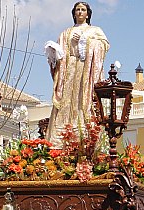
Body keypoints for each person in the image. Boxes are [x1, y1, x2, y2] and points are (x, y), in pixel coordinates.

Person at [45, 2, 109, 147]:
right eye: (78, 10)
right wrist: (54, 53)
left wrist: (85, 42)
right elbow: (59, 55)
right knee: (66, 101)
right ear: (74, 13)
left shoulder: (95, 31)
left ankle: (83, 134)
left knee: (83, 100)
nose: (80, 12)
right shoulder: (65, 33)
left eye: (83, 10)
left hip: (85, 70)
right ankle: (62, 136)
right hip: (68, 70)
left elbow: (103, 46)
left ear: (88, 13)